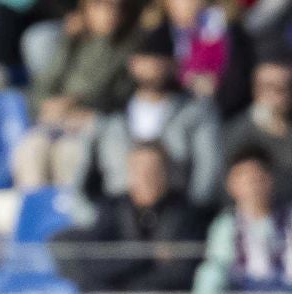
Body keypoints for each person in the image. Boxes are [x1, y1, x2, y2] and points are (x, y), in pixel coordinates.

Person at [54, 140, 208, 294]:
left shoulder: (186, 214)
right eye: (139, 169)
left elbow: (182, 274)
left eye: (154, 169)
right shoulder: (112, 210)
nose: (146, 176)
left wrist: (122, 279)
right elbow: (93, 267)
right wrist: (149, 254)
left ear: (167, 172)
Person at [74, 27, 222, 210]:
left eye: (159, 60)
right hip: (118, 215)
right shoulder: (109, 116)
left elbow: (208, 170)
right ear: (133, 64)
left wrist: (190, 217)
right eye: (145, 60)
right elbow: (82, 175)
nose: (152, 67)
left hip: (175, 214)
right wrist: (96, 218)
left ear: (173, 64)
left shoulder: (196, 113)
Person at [13, 0, 137, 191]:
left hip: (95, 120)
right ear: (85, 11)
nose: (108, 13)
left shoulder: (130, 46)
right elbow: (44, 85)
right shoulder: (73, 43)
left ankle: (69, 215)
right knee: (31, 149)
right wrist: (47, 106)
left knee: (68, 152)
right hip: (59, 120)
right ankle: (35, 214)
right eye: (99, 6)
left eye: (114, 7)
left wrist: (76, 103)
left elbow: (120, 93)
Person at [175, 145, 292, 294]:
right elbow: (213, 271)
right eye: (245, 180)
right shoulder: (226, 226)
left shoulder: (288, 222)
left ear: (269, 181)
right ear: (232, 185)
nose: (252, 187)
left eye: (257, 179)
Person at [157, 0, 254, 120]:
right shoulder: (160, 35)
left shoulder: (224, 28)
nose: (185, 4)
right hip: (179, 111)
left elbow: (237, 77)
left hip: (225, 111)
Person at [223, 59, 292, 190]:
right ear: (256, 89)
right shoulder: (236, 134)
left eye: (286, 86)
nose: (278, 94)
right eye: (270, 86)